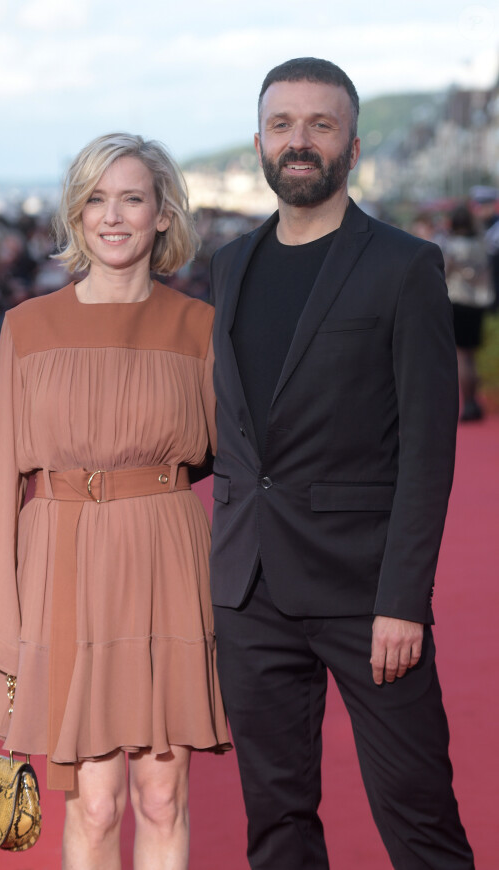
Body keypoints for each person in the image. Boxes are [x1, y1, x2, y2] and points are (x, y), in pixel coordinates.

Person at [209, 58, 474, 869]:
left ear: (353, 147)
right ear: (260, 142)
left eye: (320, 125)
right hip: (250, 589)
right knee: (277, 824)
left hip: (366, 595)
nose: (300, 141)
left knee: (419, 818)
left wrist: (403, 601)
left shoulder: (404, 266)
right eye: (282, 125)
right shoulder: (229, 265)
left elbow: (428, 449)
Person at [0, 132, 229, 870]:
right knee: (96, 806)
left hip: (166, 558)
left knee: (162, 798)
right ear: (75, 213)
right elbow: (4, 474)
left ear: (162, 215)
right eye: (96, 199)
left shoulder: (200, 328)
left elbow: (225, 458)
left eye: (132, 198)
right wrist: (1, 619)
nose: (112, 215)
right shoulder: (27, 327)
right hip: (65, 562)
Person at [441, 203, 492, 422]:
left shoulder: (451, 245)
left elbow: (444, 272)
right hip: (478, 302)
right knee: (471, 354)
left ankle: (469, 402)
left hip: (458, 301)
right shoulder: (481, 243)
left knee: (461, 355)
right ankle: (474, 400)